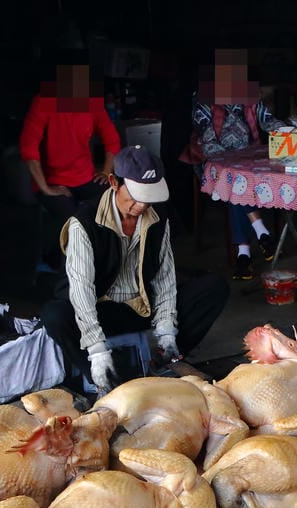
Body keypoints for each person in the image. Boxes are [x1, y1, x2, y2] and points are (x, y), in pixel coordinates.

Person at [40, 145, 228, 394]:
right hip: (99, 310)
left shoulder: (158, 215)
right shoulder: (84, 223)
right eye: (136, 195)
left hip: (140, 306)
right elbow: (81, 289)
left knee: (214, 288)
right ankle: (101, 376)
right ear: (113, 182)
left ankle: (164, 357)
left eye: (148, 196)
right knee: (55, 316)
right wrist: (96, 349)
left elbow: (164, 277)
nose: (142, 204)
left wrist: (167, 331)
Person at [186, 49, 284, 280]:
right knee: (232, 181)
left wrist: (291, 131)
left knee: (236, 184)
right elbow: (206, 137)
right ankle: (260, 232)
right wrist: (231, 161)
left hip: (247, 161)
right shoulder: (202, 99)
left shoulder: (249, 97)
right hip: (211, 162)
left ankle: (244, 253)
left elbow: (267, 121)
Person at [20, 64, 121, 257]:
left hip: (83, 177)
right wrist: (46, 188)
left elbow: (112, 140)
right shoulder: (43, 102)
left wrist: (107, 171)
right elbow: (28, 149)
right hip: (52, 181)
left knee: (117, 203)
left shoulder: (92, 103)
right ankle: (67, 272)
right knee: (73, 222)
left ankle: (111, 265)